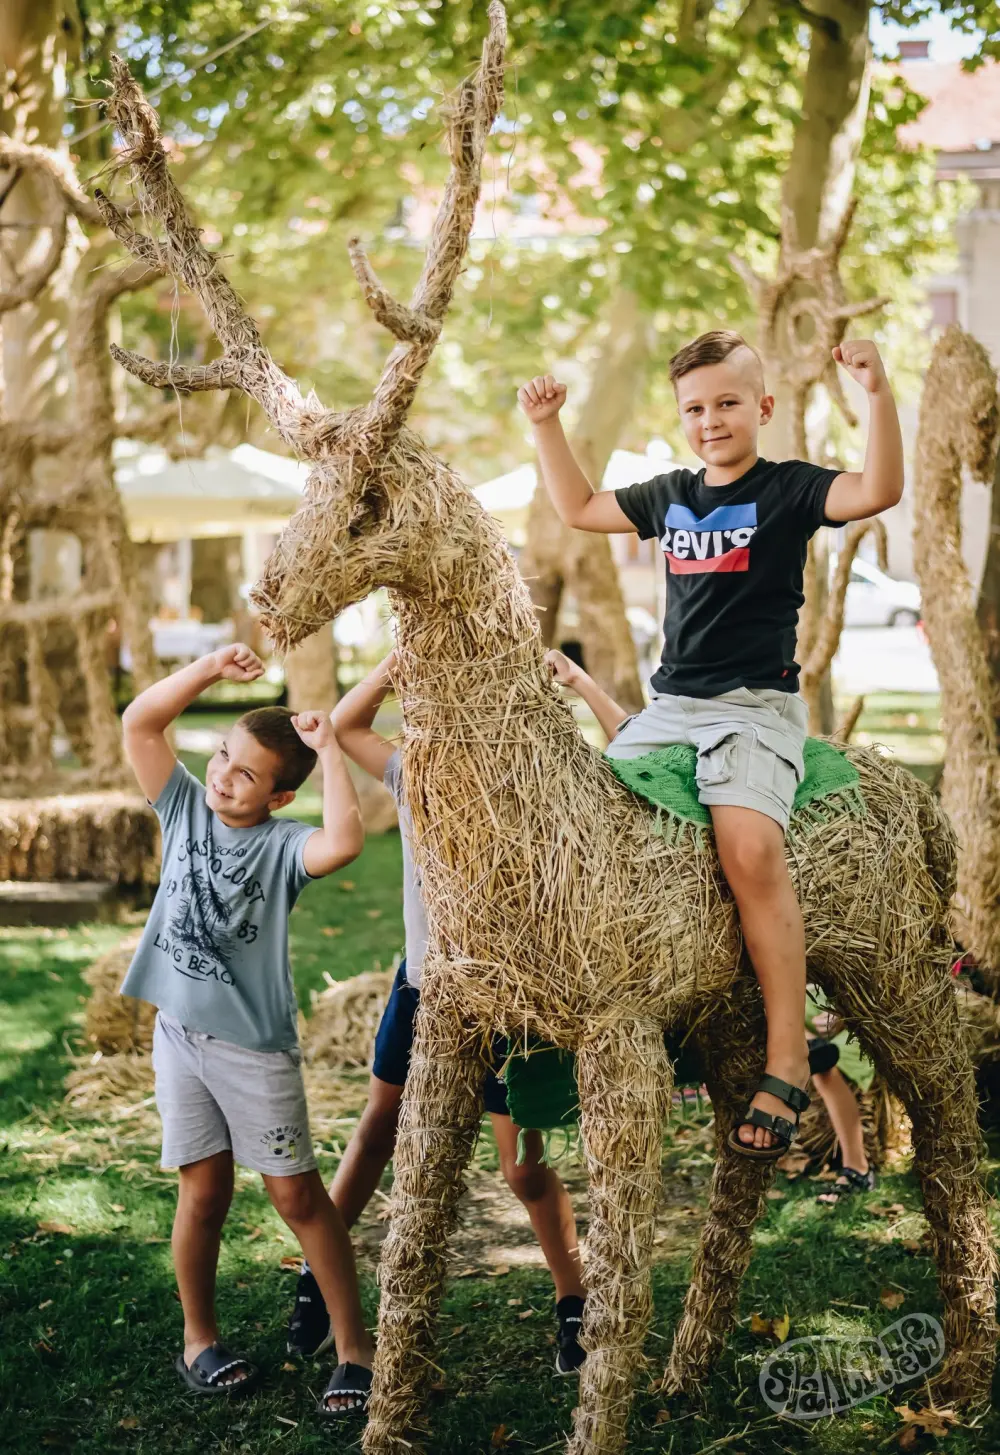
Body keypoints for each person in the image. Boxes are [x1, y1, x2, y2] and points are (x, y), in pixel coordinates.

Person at [518, 332, 903, 1160]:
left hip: (753, 709)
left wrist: (876, 392)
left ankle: (790, 1055)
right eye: (695, 408)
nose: (711, 419)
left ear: (761, 408)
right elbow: (581, 508)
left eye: (728, 403)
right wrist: (548, 426)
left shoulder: (789, 488)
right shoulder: (670, 495)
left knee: (749, 844)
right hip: (671, 706)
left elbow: (878, 488)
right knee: (585, 815)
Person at [286, 652, 589, 1399]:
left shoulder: (532, 792)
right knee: (378, 1123)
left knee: (523, 1167)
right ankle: (316, 1280)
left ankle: (574, 1298)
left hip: (510, 1006)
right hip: (422, 989)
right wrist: (398, 661)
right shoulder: (413, 774)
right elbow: (348, 722)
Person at [120, 643, 373, 1417]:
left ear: (278, 796)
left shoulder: (280, 847)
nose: (225, 776)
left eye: (246, 774)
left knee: (296, 1195)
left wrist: (330, 749)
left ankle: (355, 1349)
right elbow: (140, 721)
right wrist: (205, 671)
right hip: (178, 1036)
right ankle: (199, 1339)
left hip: (252, 1051)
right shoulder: (184, 803)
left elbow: (345, 840)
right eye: (223, 756)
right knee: (202, 1192)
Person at [545, 648, 876, 1200]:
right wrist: (580, 682)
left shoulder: (719, 737)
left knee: (817, 1062)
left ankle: (856, 1160)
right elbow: (628, 737)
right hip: (707, 942)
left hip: (765, 926)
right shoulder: (662, 748)